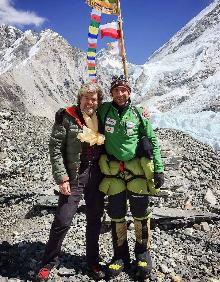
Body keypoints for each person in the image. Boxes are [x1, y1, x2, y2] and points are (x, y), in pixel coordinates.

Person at [36, 82, 106, 281]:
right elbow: (55, 147)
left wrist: (142, 111)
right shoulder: (67, 116)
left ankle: (92, 261)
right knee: (63, 219)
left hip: (97, 173)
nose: (90, 102)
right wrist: (62, 177)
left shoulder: (101, 117)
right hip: (75, 173)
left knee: (94, 219)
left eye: (94, 99)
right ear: (80, 98)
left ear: (98, 101)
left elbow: (122, 112)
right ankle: (48, 262)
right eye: (86, 98)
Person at [97, 75, 165, 280]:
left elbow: (152, 140)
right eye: (116, 90)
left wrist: (159, 169)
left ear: (129, 92)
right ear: (111, 93)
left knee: (140, 213)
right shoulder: (104, 110)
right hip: (113, 173)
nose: (120, 94)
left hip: (136, 172)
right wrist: (66, 113)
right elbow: (85, 110)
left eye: (123, 90)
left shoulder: (138, 113)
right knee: (116, 214)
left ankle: (143, 252)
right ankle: (120, 256)